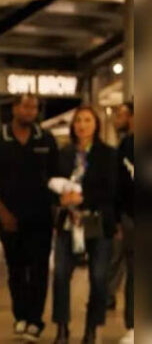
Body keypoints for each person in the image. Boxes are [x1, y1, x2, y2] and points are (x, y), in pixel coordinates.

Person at [0, 93, 58, 341]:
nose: (30, 111)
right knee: (15, 270)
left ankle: (35, 321)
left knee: (38, 270)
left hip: (41, 217)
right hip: (9, 218)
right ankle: (20, 317)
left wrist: (56, 212)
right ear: (14, 109)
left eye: (34, 108)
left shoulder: (46, 139)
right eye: (25, 107)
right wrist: (1, 213)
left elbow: (56, 177)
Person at [50, 106, 118, 344]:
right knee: (60, 274)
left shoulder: (108, 154)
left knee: (98, 277)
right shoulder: (64, 153)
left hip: (97, 221)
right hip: (68, 222)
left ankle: (92, 328)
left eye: (87, 120)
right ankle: (62, 328)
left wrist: (83, 198)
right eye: (78, 120)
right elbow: (50, 182)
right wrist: (60, 199)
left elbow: (112, 189)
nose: (82, 125)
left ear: (96, 124)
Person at [113, 102, 134, 344]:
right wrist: (118, 218)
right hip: (132, 215)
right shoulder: (126, 146)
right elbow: (118, 184)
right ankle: (134, 325)